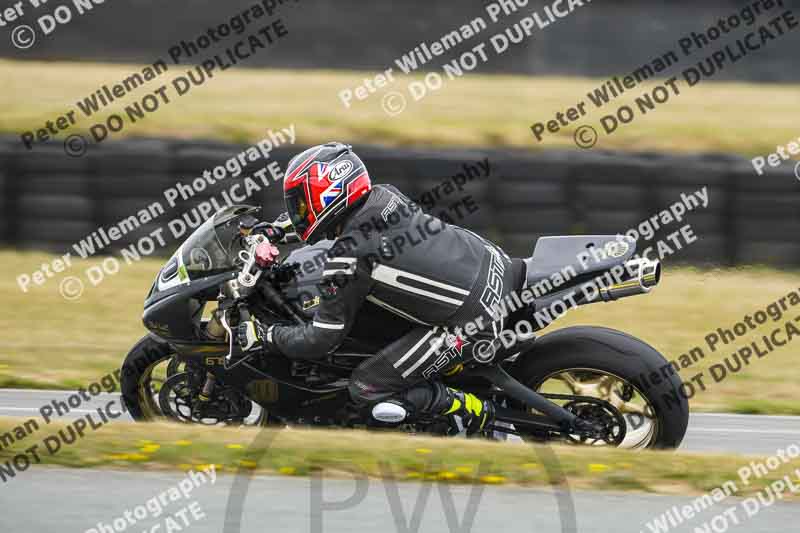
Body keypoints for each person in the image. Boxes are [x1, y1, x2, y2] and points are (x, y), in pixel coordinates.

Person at [238, 142, 526, 434]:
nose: (298, 212)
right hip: (493, 266)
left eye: (301, 204)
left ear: (329, 194)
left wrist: (267, 335)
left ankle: (469, 409)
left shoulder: (350, 255)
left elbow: (321, 339)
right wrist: (277, 229)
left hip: (473, 323)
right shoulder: (385, 196)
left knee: (367, 386)